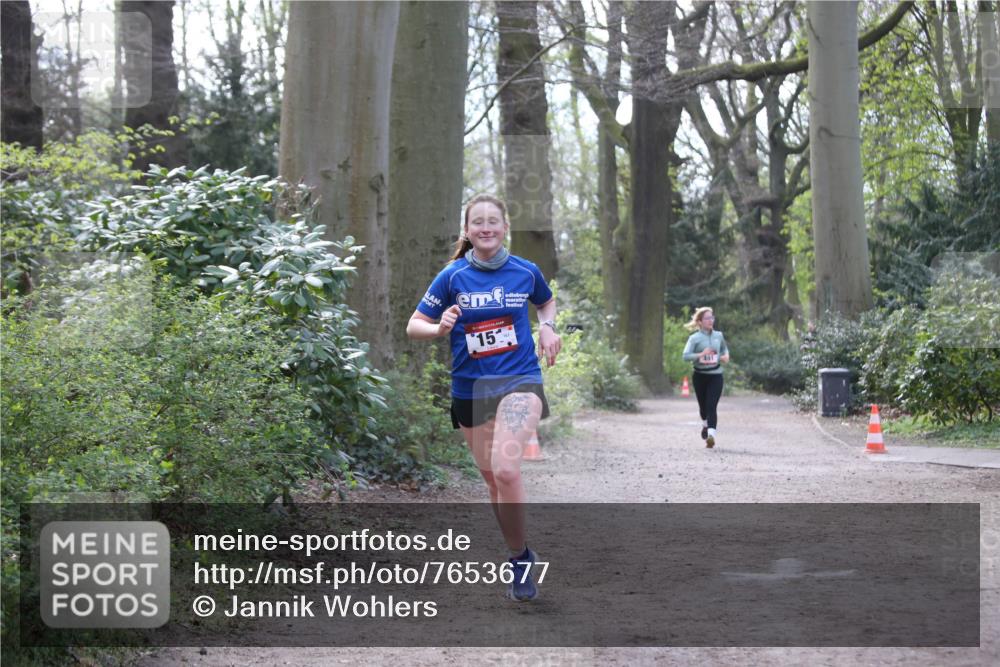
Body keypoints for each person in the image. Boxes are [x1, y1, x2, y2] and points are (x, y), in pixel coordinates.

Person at [406, 194, 561, 601]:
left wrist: (548, 327)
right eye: (479, 222)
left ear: (505, 227)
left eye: (494, 221)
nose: (487, 227)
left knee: (506, 469)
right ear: (468, 230)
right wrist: (440, 328)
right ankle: (520, 554)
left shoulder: (525, 272)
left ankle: (519, 560)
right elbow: (413, 325)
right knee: (492, 480)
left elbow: (545, 301)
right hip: (470, 389)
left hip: (519, 382)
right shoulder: (452, 277)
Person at [681, 307, 730, 448]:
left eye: (712, 318)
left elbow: (724, 349)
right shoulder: (694, 338)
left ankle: (711, 436)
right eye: (707, 318)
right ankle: (705, 424)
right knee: (703, 408)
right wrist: (701, 355)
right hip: (700, 376)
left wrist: (726, 356)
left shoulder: (718, 335)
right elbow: (685, 356)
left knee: (711, 405)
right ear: (700, 322)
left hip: (716, 375)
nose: (711, 321)